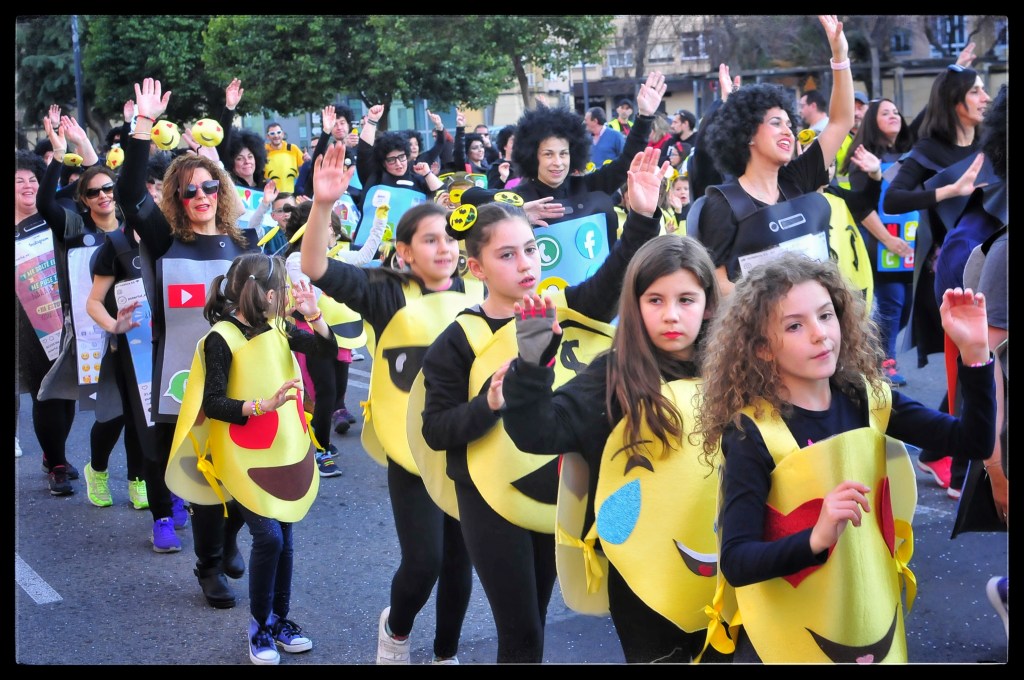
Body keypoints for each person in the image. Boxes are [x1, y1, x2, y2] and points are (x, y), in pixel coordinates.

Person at [419, 147, 667, 663]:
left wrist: (642, 215)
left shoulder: (562, 309)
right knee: (523, 636)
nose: (526, 264)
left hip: (556, 487)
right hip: (489, 498)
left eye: (530, 249)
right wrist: (488, 404)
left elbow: (617, 275)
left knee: (537, 616)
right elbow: (436, 431)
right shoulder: (457, 340)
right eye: (507, 255)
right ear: (476, 266)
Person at [694, 251, 996, 663]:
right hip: (790, 633)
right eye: (795, 325)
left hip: (865, 612)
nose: (820, 334)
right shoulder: (754, 433)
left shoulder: (868, 400)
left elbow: (973, 442)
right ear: (762, 348)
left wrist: (975, 355)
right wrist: (816, 538)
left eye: (826, 315)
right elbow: (737, 560)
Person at [499, 234, 732, 664]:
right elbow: (538, 433)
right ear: (634, 305)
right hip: (640, 570)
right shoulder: (615, 376)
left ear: (708, 304)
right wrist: (531, 366)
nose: (671, 314)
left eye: (686, 299)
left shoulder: (733, 371)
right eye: (655, 300)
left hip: (726, 556)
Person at [301, 143, 480, 665]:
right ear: (404, 252)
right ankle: (396, 631)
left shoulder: (481, 291)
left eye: (450, 238)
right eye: (429, 239)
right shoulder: (385, 292)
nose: (444, 248)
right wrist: (321, 204)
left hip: (469, 445)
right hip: (410, 449)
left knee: (460, 563)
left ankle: (445, 654)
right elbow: (314, 265)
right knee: (424, 562)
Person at [118, 77, 258, 606]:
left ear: (222, 192)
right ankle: (209, 568)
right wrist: (142, 126)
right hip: (184, 381)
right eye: (189, 190)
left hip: (242, 377)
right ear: (176, 198)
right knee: (204, 482)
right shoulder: (164, 241)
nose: (200, 196)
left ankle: (229, 538)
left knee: (244, 477)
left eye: (209, 187)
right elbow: (130, 195)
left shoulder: (243, 242)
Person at [169, 253, 335, 664]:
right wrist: (263, 405)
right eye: (283, 290)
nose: (287, 296)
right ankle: (259, 626)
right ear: (268, 294)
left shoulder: (279, 326)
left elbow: (324, 349)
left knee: (286, 535)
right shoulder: (221, 338)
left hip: (283, 449)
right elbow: (213, 403)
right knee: (270, 537)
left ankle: (279, 620)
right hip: (240, 455)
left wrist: (314, 316)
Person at [881, 63, 991, 497]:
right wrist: (949, 191)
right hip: (949, 272)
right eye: (976, 91)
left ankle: (934, 449)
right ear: (954, 100)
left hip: (989, 263)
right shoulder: (929, 149)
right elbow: (893, 198)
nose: (985, 97)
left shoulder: (989, 142)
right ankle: (962, 473)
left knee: (978, 364)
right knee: (972, 364)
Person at [697, 16, 854, 296]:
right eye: (775, 123)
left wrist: (840, 58)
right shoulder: (723, 204)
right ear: (747, 134)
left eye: (790, 125)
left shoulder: (797, 180)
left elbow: (841, 121)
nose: (788, 132)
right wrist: (774, 302)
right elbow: (717, 283)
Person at [460, 70, 666, 282]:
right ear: (533, 156)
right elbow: (469, 197)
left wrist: (644, 117)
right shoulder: (520, 198)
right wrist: (517, 210)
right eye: (548, 154)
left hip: (598, 295)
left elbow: (626, 161)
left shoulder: (591, 186)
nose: (558, 162)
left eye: (563, 154)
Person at [283, 198, 384, 473]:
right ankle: (320, 448)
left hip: (337, 333)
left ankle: (317, 439)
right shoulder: (296, 259)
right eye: (326, 225)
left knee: (337, 392)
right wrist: (324, 264)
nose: (332, 231)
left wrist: (379, 221)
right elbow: (310, 296)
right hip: (311, 332)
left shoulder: (333, 256)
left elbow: (363, 258)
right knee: (324, 392)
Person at [840, 98, 918, 388]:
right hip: (880, 245)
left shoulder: (909, 154)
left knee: (906, 305)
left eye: (896, 111)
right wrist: (887, 239)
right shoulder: (863, 158)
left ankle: (878, 355)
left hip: (910, 244)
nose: (894, 116)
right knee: (891, 303)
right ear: (873, 120)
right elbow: (862, 208)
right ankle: (886, 362)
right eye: (886, 113)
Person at [15, 149, 78, 494]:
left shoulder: (52, 215)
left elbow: (87, 177)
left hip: (64, 314)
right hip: (26, 325)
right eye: (19, 180)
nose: (28, 185)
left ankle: (55, 453)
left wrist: (64, 151)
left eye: (33, 179)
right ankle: (56, 464)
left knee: (66, 392)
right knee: (45, 393)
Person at [264, 121, 304, 193]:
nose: (276, 136)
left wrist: (308, 161)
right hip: (271, 194)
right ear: (268, 136)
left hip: (292, 193)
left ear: (282, 134)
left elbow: (304, 169)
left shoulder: (293, 148)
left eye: (278, 132)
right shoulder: (263, 151)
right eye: (272, 133)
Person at [485, 124, 517, 190]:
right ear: (504, 145)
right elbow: (491, 192)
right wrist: (503, 178)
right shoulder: (496, 167)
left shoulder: (526, 166)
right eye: (513, 141)